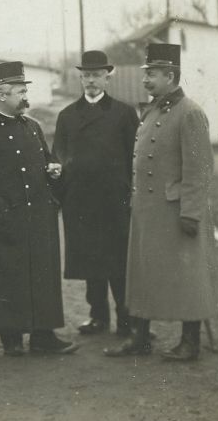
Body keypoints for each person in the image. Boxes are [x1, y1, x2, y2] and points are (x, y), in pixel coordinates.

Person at [104, 43, 218, 362]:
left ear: (170, 75)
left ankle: (190, 342)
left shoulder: (191, 112)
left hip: (175, 212)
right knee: (143, 275)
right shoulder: (152, 109)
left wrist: (191, 214)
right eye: (146, 74)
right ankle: (140, 338)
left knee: (187, 277)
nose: (145, 80)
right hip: (147, 212)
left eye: (151, 74)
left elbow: (199, 170)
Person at [0, 61, 77, 357]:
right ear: (1, 95)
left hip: (39, 218)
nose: (25, 98)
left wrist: (54, 172)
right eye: (19, 92)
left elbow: (46, 161)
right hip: (3, 221)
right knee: (7, 277)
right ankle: (11, 338)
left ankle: (44, 335)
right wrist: (1, 214)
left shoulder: (33, 127)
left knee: (42, 276)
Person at [51, 51, 139, 337]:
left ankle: (127, 319)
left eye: (96, 75)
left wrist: (131, 193)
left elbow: (134, 158)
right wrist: (61, 190)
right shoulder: (67, 116)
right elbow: (59, 157)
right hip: (82, 201)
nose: (91, 80)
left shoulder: (124, 114)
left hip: (115, 201)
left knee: (118, 262)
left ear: (106, 78)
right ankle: (97, 316)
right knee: (91, 262)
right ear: (80, 78)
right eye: (86, 75)